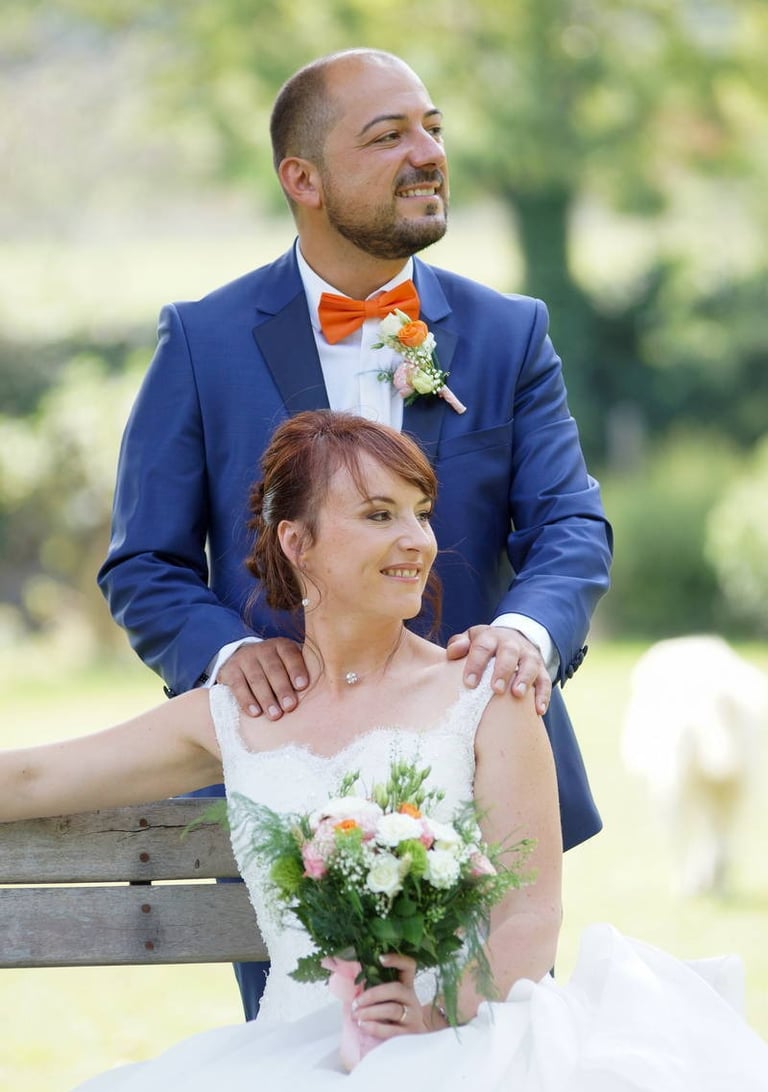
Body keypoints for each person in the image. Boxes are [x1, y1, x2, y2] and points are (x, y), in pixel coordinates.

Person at [5, 412, 766, 1091]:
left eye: (421, 513)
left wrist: (437, 1019)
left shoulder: (483, 693)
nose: (417, 540)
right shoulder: (234, 713)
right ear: (296, 543)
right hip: (295, 1050)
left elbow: (529, 917)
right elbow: (37, 775)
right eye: (379, 515)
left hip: (467, 1041)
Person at [97, 47, 612, 1018]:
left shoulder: (509, 334)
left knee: (483, 1034)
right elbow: (145, 563)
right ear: (303, 179)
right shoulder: (204, 342)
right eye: (389, 136)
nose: (428, 152)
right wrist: (231, 655)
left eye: (434, 128)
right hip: (294, 806)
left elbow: (572, 526)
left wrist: (526, 640)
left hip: (476, 784)